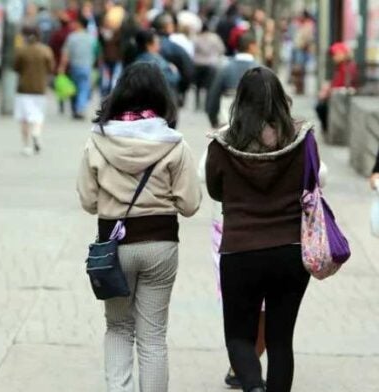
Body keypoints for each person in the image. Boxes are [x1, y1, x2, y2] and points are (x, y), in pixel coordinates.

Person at [77, 62, 201, 392]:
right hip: (160, 244)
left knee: (118, 327)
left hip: (113, 249)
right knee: (153, 336)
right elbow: (190, 205)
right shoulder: (175, 144)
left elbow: (88, 201)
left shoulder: (97, 142)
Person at [205, 67, 318, 392]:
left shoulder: (222, 145)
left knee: (239, 337)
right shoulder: (303, 139)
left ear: (240, 101)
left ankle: (253, 387)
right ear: (281, 101)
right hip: (290, 251)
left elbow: (215, 190)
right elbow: (311, 182)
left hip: (240, 251)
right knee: (281, 340)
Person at [13, 26, 55, 156]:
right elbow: (51, 67)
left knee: (24, 118)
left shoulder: (21, 51)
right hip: (40, 89)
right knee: (38, 115)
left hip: (24, 88)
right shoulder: (46, 50)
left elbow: (15, 67)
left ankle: (26, 146)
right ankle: (36, 133)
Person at [206, 33, 259, 128]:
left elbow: (214, 95)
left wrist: (213, 119)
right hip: (253, 123)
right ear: (251, 46)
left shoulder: (224, 68)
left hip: (227, 120)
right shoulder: (260, 70)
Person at [314, 42, 358, 134]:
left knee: (321, 107)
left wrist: (329, 91)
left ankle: (327, 129)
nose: (334, 57)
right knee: (319, 106)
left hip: (342, 99)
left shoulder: (347, 67)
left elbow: (346, 85)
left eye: (336, 54)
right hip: (336, 97)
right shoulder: (340, 66)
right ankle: (326, 129)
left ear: (342, 53)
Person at [152, 13, 194, 107]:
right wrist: (180, 89)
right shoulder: (175, 48)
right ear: (167, 27)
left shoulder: (142, 46)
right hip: (169, 94)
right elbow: (188, 71)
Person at [58, 15, 96, 120]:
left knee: (75, 88)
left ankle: (76, 109)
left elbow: (65, 54)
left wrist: (62, 67)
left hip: (74, 66)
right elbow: (96, 52)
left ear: (79, 24)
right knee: (84, 88)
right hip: (87, 66)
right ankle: (80, 108)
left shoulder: (72, 37)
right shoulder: (91, 38)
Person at [134, 29, 180, 93]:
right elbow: (171, 79)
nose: (159, 45)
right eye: (157, 42)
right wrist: (174, 71)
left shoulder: (136, 60)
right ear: (148, 45)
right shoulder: (156, 62)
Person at [192, 23, 224, 110]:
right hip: (210, 64)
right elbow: (221, 49)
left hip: (198, 64)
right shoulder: (215, 38)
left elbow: (193, 50)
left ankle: (197, 103)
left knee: (198, 86)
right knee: (209, 86)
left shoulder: (197, 38)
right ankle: (207, 105)